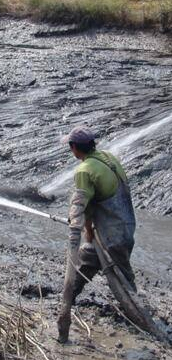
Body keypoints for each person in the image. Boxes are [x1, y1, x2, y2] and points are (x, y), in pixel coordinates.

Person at [57, 125, 136, 343]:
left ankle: (139, 319)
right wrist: (89, 229)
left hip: (111, 236)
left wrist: (77, 222)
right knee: (86, 265)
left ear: (74, 148)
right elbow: (98, 199)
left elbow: (80, 202)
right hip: (125, 228)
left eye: (70, 146)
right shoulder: (107, 158)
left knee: (122, 281)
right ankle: (67, 301)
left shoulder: (84, 171)